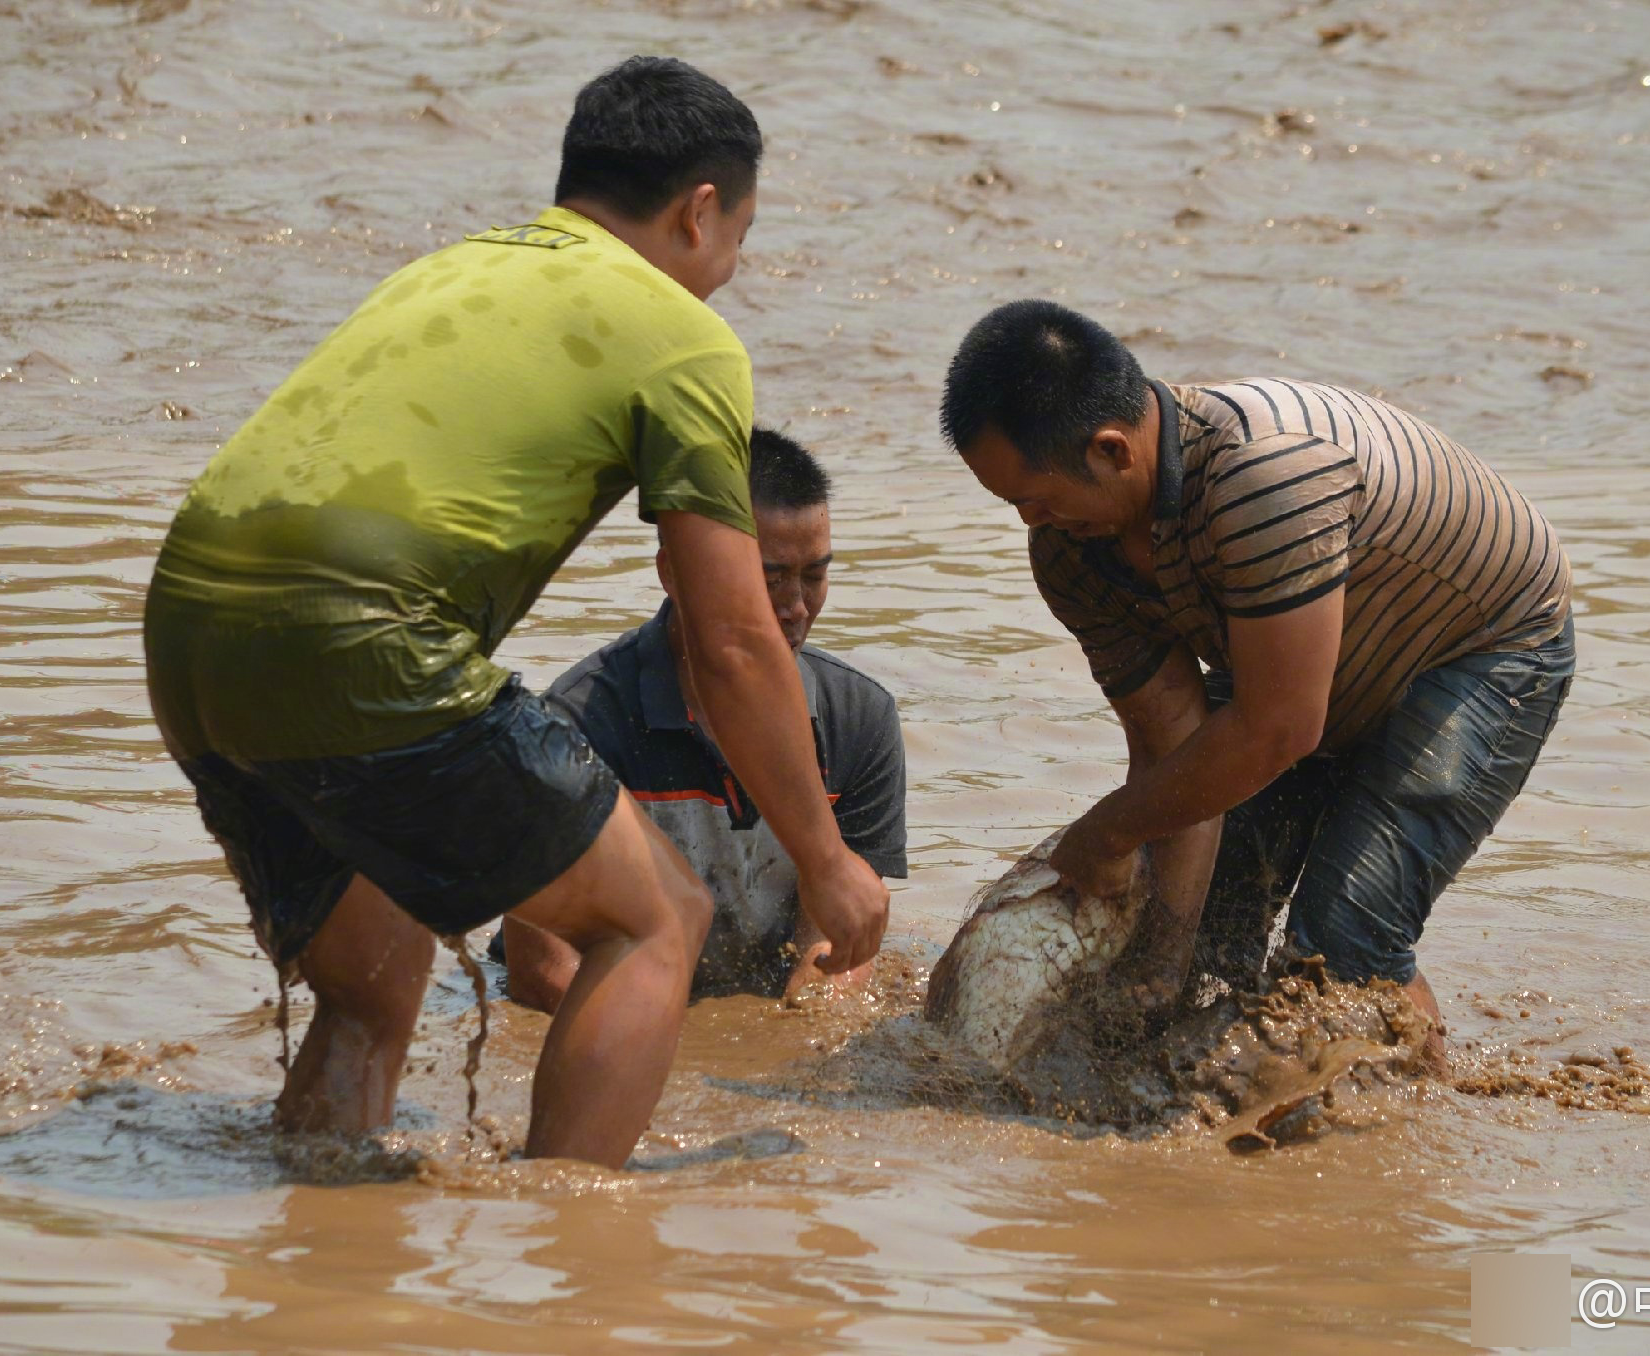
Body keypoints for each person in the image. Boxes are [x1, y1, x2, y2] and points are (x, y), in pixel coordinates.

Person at [142, 57, 889, 1170]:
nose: (729, 271)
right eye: (736, 239)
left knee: (376, 984)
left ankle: (310, 1237)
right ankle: (568, 1258)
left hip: (189, 633)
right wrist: (825, 860)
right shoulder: (681, 336)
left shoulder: (451, 269)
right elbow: (730, 636)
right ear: (698, 213)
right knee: (654, 920)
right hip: (362, 637)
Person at [940, 299, 1574, 1060]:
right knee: (1198, 923)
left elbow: (1277, 731)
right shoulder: (1071, 553)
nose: (1029, 523)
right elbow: (1169, 745)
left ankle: (1416, 1128)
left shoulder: (1264, 477)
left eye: (1035, 499)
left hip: (1481, 649)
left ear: (1112, 450)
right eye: (1013, 505)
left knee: (1344, 941)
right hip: (1301, 673)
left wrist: (1105, 832)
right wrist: (1161, 965)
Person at [494, 428, 908, 1008]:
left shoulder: (858, 719)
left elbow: (838, 950)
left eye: (813, 576)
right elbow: (543, 976)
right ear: (675, 573)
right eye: (768, 580)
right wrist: (692, 1067)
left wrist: (790, 1043)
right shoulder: (574, 727)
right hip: (611, 996)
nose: (795, 607)